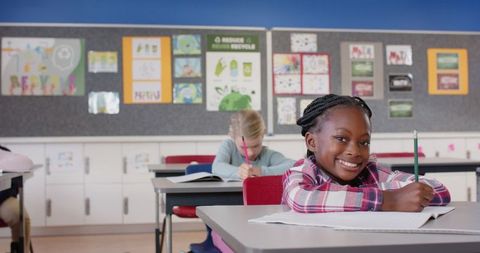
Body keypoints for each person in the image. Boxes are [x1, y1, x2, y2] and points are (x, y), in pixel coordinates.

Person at [283, 94, 451, 213]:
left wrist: (409, 194)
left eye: (364, 142)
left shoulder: (370, 172)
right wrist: (389, 200)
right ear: (312, 142)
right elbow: (300, 198)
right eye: (341, 138)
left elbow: (439, 190)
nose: (355, 151)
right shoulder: (303, 171)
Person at [213, 109, 295, 180]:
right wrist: (239, 172)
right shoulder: (229, 146)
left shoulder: (267, 155)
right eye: (243, 147)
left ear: (262, 136)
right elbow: (217, 167)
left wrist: (261, 172)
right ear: (233, 137)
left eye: (256, 146)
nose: (250, 153)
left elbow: (293, 165)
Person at [0, 145, 33, 253]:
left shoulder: (5, 153)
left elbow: (16, 179)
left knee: (20, 216)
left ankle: (20, 250)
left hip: (2, 198)